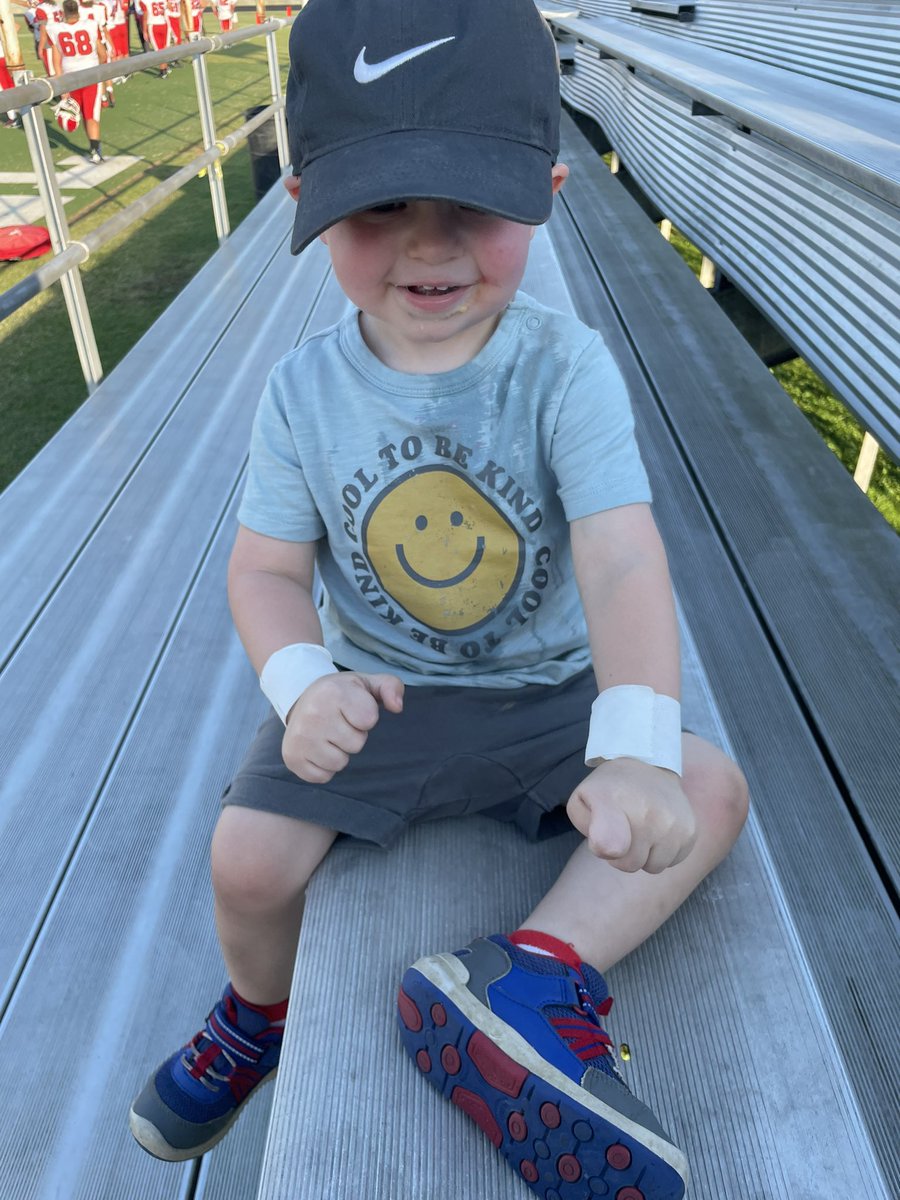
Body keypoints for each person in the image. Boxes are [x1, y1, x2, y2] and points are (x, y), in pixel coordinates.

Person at [128, 0, 749, 1195]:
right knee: (246, 860)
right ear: (304, 204)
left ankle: (527, 976)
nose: (428, 248)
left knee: (707, 789)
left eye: (468, 203)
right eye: (378, 208)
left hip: (549, 692)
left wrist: (629, 745)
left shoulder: (562, 366)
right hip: (379, 696)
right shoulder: (302, 393)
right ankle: (259, 1015)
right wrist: (303, 685)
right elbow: (262, 570)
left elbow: (622, 558)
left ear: (549, 189)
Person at [46, 0, 107, 162]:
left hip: (70, 78)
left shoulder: (55, 28)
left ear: (63, 13)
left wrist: (61, 83)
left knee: (78, 115)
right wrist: (102, 71)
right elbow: (102, 53)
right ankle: (95, 150)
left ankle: (94, 148)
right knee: (91, 115)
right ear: (78, 11)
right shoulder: (91, 25)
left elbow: (56, 57)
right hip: (91, 75)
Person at [137, 0, 169, 75]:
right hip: (164, 24)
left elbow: (145, 16)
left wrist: (144, 30)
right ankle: (165, 68)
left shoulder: (144, 2)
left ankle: (163, 71)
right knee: (164, 49)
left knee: (159, 51)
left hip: (153, 25)